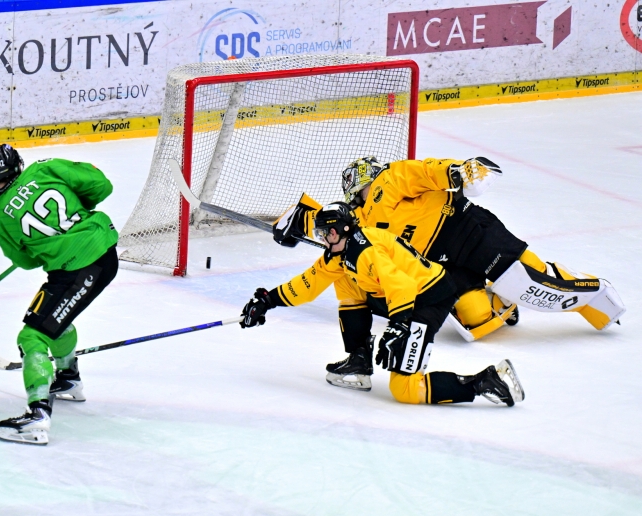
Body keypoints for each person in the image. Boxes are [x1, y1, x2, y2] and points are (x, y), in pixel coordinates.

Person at [273, 156, 625, 388]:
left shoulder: (388, 182)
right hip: (444, 264)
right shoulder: (362, 219)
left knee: (532, 282)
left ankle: (594, 296)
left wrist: (458, 171)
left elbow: (424, 172)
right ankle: (505, 302)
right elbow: (332, 225)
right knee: (474, 320)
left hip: (468, 231)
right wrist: (295, 219)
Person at [242, 202, 525, 406]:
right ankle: (359, 360)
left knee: (404, 388)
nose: (324, 240)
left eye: (327, 233)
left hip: (431, 297)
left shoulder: (365, 252)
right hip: (407, 296)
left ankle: (485, 381)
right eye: (321, 235)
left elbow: (400, 286)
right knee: (345, 282)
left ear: (343, 229)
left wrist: (399, 327)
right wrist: (268, 301)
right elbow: (307, 284)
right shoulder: (341, 254)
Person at [0, 144, 119, 445]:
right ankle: (68, 378)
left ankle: (38, 415)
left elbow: (26, 261)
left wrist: (46, 243)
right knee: (52, 322)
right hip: (102, 250)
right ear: (20, 163)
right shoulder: (44, 168)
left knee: (32, 337)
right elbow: (101, 186)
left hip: (78, 269)